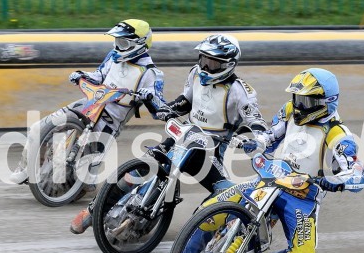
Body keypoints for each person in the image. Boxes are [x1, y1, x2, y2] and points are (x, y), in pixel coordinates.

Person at [163, 68, 364, 253]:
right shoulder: (289, 111)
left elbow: (356, 174)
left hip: (302, 197)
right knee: (212, 207)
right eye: (297, 99)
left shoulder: (338, 134)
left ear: (325, 103)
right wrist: (255, 143)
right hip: (270, 178)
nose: (299, 105)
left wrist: (332, 182)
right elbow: (270, 136)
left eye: (306, 101)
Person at [71, 33, 268, 237]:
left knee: (225, 193)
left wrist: (259, 139)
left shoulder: (241, 91)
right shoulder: (195, 73)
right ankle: (94, 210)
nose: (206, 68)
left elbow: (256, 121)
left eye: (213, 64)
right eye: (204, 60)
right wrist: (169, 109)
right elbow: (186, 101)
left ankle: (201, 235)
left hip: (212, 148)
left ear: (229, 64)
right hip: (185, 135)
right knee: (140, 168)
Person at [10, 19, 165, 186]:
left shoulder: (151, 74)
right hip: (88, 104)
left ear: (139, 44)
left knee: (85, 181)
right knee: (37, 129)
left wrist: (150, 96)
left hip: (108, 122)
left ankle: (78, 187)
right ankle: (25, 168)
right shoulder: (113, 57)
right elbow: (98, 75)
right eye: (117, 41)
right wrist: (81, 75)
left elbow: (159, 111)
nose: (118, 46)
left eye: (123, 42)